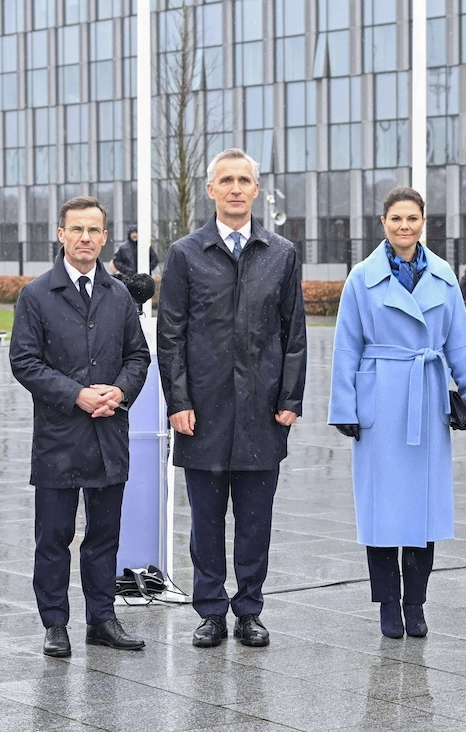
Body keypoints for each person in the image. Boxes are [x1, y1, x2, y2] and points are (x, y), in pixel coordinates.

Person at [157, 147, 307, 649]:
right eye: (227, 180)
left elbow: (294, 333)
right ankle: (211, 611)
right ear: (211, 189)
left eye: (245, 179)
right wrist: (177, 400)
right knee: (205, 520)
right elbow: (171, 334)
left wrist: (291, 398)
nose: (236, 188)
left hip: (263, 410)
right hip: (201, 410)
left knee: (255, 520)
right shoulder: (184, 254)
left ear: (257, 190)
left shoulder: (281, 253)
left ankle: (249, 609)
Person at [328, 187, 466, 639]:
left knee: (422, 512)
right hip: (379, 399)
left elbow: (459, 340)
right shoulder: (362, 277)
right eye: (396, 218)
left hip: (426, 398)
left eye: (412, 218)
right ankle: (387, 606)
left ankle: (416, 603)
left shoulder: (443, 275)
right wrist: (344, 405)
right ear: (383, 223)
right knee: (381, 513)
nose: (404, 226)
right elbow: (346, 345)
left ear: (423, 222)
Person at [9, 196, 152, 658]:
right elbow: (24, 362)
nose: (85, 238)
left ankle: (102, 618)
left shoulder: (119, 295)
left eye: (94, 230)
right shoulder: (36, 296)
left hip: (109, 431)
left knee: (104, 535)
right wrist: (76, 394)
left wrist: (120, 391)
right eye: (77, 230)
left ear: (105, 236)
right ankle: (55, 622)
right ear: (61, 234)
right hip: (59, 435)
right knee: (53, 536)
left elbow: (138, 356)